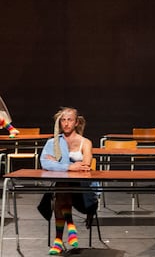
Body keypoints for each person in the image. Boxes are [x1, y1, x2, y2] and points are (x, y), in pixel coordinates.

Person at [40, 107, 97, 255]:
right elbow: (45, 163)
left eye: (69, 120)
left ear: (76, 122)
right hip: (63, 186)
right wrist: (70, 167)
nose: (66, 123)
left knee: (61, 187)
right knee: (62, 185)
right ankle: (67, 229)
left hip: (82, 190)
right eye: (63, 120)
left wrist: (58, 165)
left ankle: (59, 238)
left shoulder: (85, 142)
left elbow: (85, 165)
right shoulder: (53, 142)